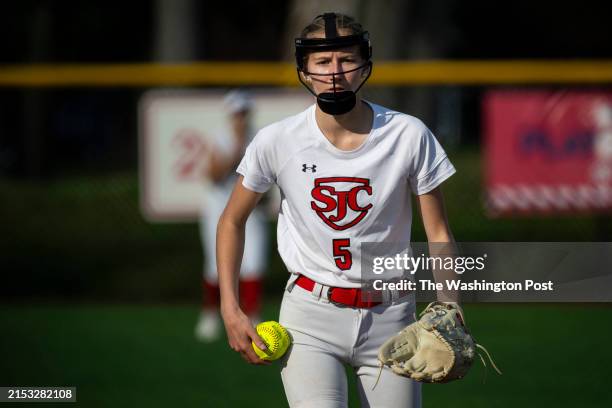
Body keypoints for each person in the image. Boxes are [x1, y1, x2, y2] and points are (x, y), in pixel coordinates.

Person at [217, 13, 457, 407]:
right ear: (305, 70)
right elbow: (231, 220)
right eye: (322, 62)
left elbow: (439, 233)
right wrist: (231, 307)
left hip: (392, 314)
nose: (335, 72)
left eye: (345, 59)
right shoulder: (277, 140)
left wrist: (450, 308)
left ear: (364, 64)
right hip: (310, 315)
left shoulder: (408, 134)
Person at [194, 90, 268, 342]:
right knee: (215, 266)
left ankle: (253, 315)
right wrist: (237, 147)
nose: (241, 118)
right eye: (237, 113)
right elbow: (214, 175)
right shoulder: (221, 138)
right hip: (219, 209)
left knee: (254, 263)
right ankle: (210, 314)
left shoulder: (259, 137)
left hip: (251, 209)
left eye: (244, 112)